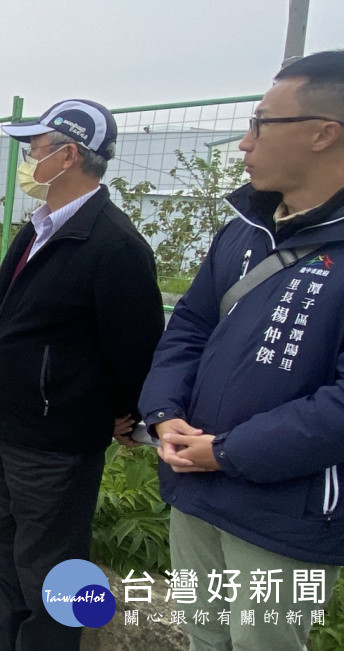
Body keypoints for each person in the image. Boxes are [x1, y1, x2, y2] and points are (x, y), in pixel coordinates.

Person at [139, 50, 344, 650]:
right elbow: (189, 328)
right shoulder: (242, 229)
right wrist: (162, 416)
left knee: (264, 643)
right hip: (196, 484)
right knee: (204, 634)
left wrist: (225, 452)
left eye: (260, 124)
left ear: (323, 134)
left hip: (286, 510)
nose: (243, 144)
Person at [0, 100, 164, 651]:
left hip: (59, 437)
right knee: (3, 540)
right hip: (11, 424)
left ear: (68, 156)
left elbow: (135, 347)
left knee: (55, 562)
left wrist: (128, 414)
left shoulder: (115, 246)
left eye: (33, 149)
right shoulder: (39, 227)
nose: (27, 160)